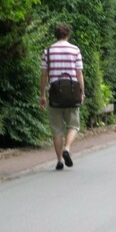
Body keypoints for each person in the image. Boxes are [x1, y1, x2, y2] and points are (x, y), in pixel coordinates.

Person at [39, 23, 85, 170]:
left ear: (55, 35)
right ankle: (67, 148)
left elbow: (44, 75)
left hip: (55, 93)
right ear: (68, 34)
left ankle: (59, 161)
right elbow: (79, 73)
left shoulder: (48, 51)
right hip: (72, 92)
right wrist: (82, 92)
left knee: (57, 129)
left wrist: (42, 94)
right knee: (73, 125)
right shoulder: (75, 50)